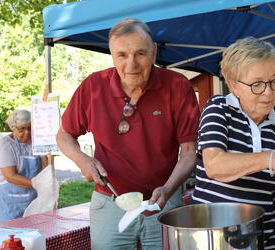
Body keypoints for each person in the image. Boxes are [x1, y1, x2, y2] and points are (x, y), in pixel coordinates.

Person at [56, 18, 200, 250]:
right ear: (112, 56)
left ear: (153, 53)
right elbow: (64, 135)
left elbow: (189, 152)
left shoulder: (177, 85)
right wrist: (82, 159)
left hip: (161, 201)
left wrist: (168, 189)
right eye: (122, 55)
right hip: (110, 201)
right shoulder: (93, 86)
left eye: (140, 54)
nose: (131, 64)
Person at [191, 37, 275, 249]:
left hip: (267, 239)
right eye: (257, 84)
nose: (268, 91)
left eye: (274, 81)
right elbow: (215, 166)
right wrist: (271, 158)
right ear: (233, 85)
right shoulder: (219, 108)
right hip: (216, 240)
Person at [0, 108, 44, 223]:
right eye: (22, 129)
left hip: (32, 200)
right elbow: (10, 176)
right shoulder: (5, 144)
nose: (27, 132)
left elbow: (45, 168)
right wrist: (38, 183)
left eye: (30, 128)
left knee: (32, 235)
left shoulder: (37, 142)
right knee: (9, 236)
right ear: (13, 128)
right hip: (9, 202)